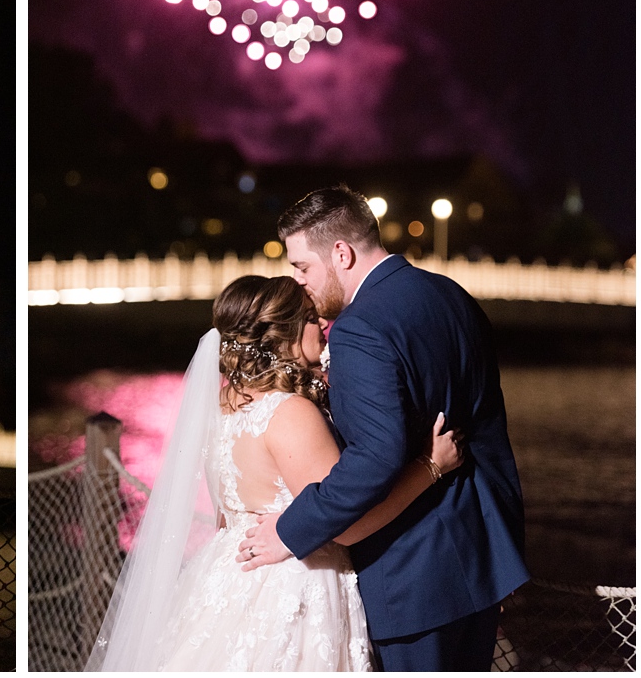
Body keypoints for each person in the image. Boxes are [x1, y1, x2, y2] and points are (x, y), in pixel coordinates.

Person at [87, 275, 462, 670]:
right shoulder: (291, 413)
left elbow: (222, 513)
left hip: (229, 576)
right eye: (314, 319)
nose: (324, 328)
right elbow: (346, 526)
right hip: (293, 585)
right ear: (286, 332)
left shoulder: (226, 401)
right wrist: (431, 466)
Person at [237, 186, 529, 671]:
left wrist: (291, 530)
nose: (299, 281)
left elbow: (374, 458)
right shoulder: (453, 295)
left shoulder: (360, 326)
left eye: (303, 267)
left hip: (412, 576)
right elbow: (488, 427)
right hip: (484, 558)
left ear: (341, 253)